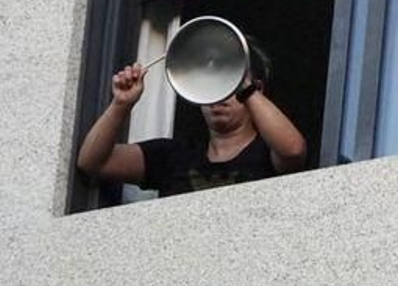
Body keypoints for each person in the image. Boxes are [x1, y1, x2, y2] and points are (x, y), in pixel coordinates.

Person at [77, 38, 308, 197]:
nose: (219, 95)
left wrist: (244, 88)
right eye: (209, 83)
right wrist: (121, 104)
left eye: (228, 81)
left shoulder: (267, 152)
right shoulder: (173, 156)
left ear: (255, 88)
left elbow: (293, 150)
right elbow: (93, 162)